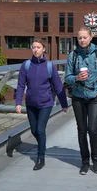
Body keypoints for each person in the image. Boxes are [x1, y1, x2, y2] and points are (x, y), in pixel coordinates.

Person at [65, 27, 97, 175]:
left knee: (92, 129)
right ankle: (85, 161)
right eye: (80, 38)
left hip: (95, 97)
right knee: (81, 130)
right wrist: (76, 78)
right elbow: (67, 77)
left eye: (85, 37)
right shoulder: (73, 55)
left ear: (91, 37)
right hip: (78, 97)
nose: (82, 40)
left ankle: (95, 159)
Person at [15, 39, 68, 171]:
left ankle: (40, 158)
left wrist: (64, 104)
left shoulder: (50, 66)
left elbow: (58, 86)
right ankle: (42, 146)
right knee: (33, 130)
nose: (36, 49)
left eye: (38, 47)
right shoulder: (26, 65)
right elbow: (21, 85)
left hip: (46, 103)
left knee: (40, 129)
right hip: (31, 103)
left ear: (44, 49)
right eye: (33, 47)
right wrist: (18, 103)